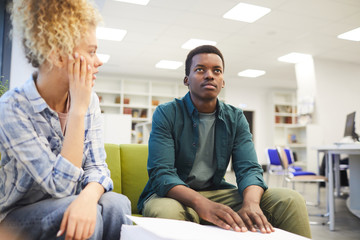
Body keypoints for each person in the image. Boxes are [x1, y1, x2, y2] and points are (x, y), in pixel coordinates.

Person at [138, 45, 312, 238]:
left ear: (223, 82)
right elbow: (162, 173)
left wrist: (251, 204)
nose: (210, 75)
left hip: (216, 192)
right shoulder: (167, 113)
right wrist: (201, 204)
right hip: (172, 195)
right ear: (187, 80)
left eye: (217, 71)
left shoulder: (235, 117)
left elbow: (249, 169)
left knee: (290, 199)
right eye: (200, 69)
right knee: (166, 212)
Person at [0, 0, 132, 239]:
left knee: (116, 204)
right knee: (70, 211)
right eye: (91, 52)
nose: (98, 60)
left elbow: (98, 168)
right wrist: (78, 111)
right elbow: (60, 187)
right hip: (14, 217)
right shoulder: (11, 108)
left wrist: (87, 199)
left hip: (67, 199)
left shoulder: (88, 99)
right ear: (59, 56)